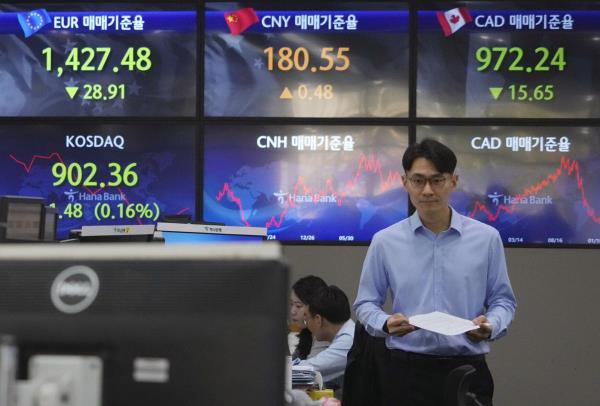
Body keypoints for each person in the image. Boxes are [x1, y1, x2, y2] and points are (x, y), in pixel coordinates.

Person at [353, 138, 517, 406]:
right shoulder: (385, 241)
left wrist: (491, 326)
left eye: (437, 180)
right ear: (404, 182)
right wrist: (385, 323)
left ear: (453, 181)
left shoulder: (487, 238)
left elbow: (503, 300)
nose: (427, 190)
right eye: (418, 181)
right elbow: (365, 303)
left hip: (467, 369)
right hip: (405, 372)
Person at [297, 285, 355, 392]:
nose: (307, 325)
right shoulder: (348, 334)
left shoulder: (348, 341)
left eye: (307, 319)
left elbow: (305, 372)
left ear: (318, 319)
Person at [290, 276, 330, 360]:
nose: (292, 311)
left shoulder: (323, 336)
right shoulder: (307, 332)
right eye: (291, 304)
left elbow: (308, 366)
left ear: (315, 306)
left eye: (298, 306)